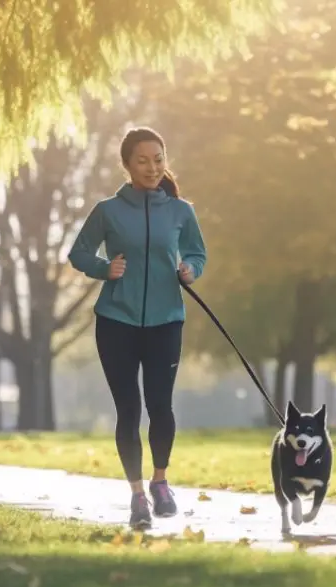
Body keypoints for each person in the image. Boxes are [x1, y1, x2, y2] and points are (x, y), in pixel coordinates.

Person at [68, 127, 207, 529]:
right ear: (127, 165)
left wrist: (190, 269)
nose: (152, 167)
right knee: (128, 409)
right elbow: (78, 251)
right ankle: (137, 495)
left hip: (166, 321)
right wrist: (103, 268)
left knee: (161, 406)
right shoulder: (107, 211)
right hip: (117, 322)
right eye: (143, 161)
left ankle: (160, 482)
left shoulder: (182, 211)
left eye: (158, 159)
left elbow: (197, 251)